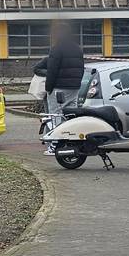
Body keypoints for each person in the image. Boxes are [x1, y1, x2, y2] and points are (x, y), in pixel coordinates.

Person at [42, 20, 85, 155]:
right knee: (70, 116)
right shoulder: (78, 48)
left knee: (55, 116)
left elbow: (52, 70)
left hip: (59, 88)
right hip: (74, 88)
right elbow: (82, 69)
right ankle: (71, 143)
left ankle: (54, 146)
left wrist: (48, 88)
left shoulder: (56, 48)